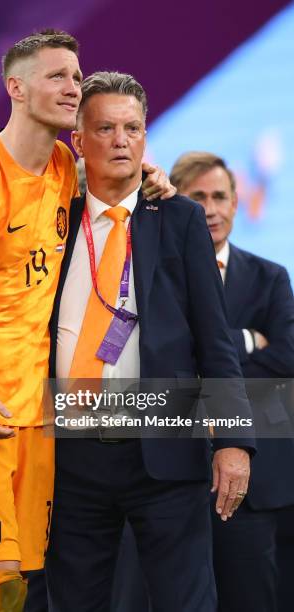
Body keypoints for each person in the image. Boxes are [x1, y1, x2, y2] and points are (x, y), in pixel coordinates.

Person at [0, 30, 174, 612]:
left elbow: (121, 181)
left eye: (76, 76)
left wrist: (152, 177)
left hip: (36, 412)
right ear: (15, 87)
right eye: (56, 76)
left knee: (24, 580)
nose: (73, 87)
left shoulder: (66, 169)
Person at [45, 71, 255, 612]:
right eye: (106, 128)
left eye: (133, 128)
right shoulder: (51, 219)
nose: (121, 140)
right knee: (73, 601)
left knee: (186, 602)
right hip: (69, 452)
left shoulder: (180, 218)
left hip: (165, 450)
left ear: (146, 137)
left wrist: (233, 441)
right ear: (78, 140)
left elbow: (215, 340)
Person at [170, 151, 294, 612]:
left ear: (237, 203)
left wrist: (205, 369)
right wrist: (246, 340)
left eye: (220, 196)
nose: (211, 209)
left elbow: (286, 357)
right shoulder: (154, 277)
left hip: (251, 482)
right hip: (168, 474)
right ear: (177, 203)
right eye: (197, 197)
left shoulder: (270, 277)